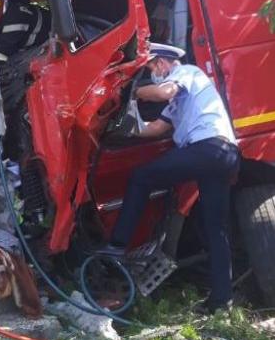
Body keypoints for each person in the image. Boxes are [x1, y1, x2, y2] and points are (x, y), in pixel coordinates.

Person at [98, 43, 240, 312]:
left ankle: (116, 245)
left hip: (208, 148)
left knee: (142, 177)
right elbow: (155, 129)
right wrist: (123, 127)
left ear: (164, 63)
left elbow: (164, 91)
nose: (152, 71)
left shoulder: (188, 72)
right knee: (215, 230)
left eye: (152, 66)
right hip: (223, 156)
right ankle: (222, 301)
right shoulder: (179, 101)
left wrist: (129, 91)